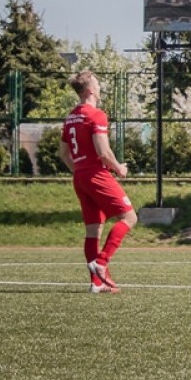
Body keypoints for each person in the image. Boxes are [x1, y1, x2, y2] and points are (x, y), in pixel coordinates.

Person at [59, 70, 137, 294]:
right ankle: (101, 263)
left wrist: (80, 170)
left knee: (93, 229)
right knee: (130, 217)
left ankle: (96, 283)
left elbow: (64, 154)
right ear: (91, 90)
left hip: (80, 177)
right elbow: (103, 152)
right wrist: (119, 168)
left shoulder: (71, 117)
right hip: (96, 175)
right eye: (98, 84)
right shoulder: (96, 115)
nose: (100, 87)